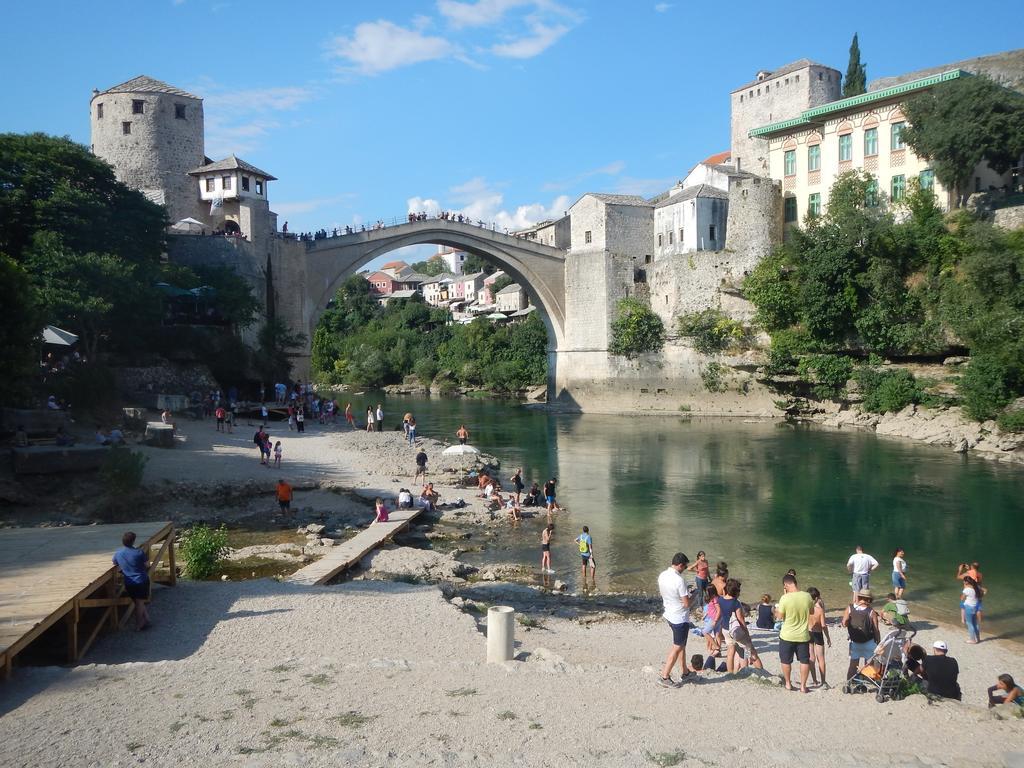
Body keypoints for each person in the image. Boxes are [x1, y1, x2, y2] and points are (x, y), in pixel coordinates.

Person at [657, 552, 691, 688]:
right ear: (681, 565)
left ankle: (685, 672)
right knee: (677, 647)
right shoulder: (679, 580)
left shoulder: (662, 575)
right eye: (685, 567)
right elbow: (687, 603)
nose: (685, 569)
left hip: (669, 613)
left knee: (681, 644)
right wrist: (693, 596)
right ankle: (665, 676)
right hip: (679, 617)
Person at [776, 573, 814, 693]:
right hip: (803, 635)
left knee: (786, 660)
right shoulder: (807, 596)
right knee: (804, 660)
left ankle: (788, 683)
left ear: (786, 585)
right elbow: (811, 611)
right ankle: (803, 686)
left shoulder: (785, 598)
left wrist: (776, 610)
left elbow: (780, 617)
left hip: (787, 635)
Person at [721, 578, 763, 672]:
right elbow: (740, 619)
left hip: (726, 629)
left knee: (732, 652)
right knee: (750, 651)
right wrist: (747, 633)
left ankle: (731, 673)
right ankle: (761, 672)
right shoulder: (736, 603)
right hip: (736, 631)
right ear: (736, 592)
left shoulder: (721, 600)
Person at [112, 532, 150, 631]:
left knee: (137, 601)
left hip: (129, 582)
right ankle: (139, 624)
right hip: (141, 580)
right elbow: (147, 565)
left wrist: (123, 569)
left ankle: (146, 618)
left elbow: (115, 563)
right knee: (140, 602)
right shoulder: (139, 552)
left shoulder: (118, 553)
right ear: (133, 541)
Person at [842, 588, 880, 680]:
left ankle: (850, 682)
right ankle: (868, 682)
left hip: (855, 642)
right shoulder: (871, 611)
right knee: (869, 665)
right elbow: (876, 629)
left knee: (853, 664)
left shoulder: (850, 608)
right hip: (869, 642)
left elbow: (844, 624)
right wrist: (878, 642)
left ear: (858, 597)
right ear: (869, 599)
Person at [807, 586, 832, 687]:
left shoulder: (806, 608)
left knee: (811, 657)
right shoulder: (819, 610)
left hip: (808, 632)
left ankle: (814, 680)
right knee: (821, 658)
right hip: (818, 633)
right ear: (817, 598)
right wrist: (828, 637)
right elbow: (823, 625)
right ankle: (823, 681)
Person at [956, 562, 985, 633]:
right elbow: (977, 581)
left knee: (963, 606)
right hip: (977, 592)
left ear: (972, 567)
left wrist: (960, 569)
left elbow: (958, 577)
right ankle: (980, 623)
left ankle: (963, 620)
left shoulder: (967, 574)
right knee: (978, 607)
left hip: (968, 592)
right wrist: (969, 569)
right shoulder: (980, 574)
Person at [961, 575, 983, 644]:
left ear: (966, 582)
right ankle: (978, 638)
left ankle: (972, 640)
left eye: (964, 581)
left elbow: (962, 598)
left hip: (968, 607)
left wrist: (964, 587)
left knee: (969, 624)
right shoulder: (976, 588)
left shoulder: (967, 589)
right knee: (975, 623)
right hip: (975, 607)